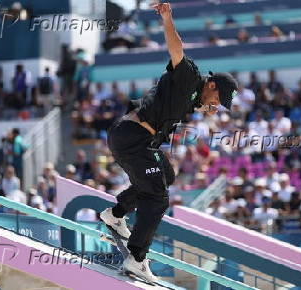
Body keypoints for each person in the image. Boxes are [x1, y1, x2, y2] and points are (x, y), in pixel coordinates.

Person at [99, 2, 238, 283]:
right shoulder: (189, 76)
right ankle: (136, 258)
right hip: (133, 138)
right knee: (158, 197)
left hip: (138, 140)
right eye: (217, 99)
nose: (216, 105)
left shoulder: (191, 97)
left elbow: (183, 102)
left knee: (167, 174)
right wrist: (167, 17)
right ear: (211, 85)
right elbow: (177, 50)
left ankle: (114, 215)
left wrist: (201, 107)